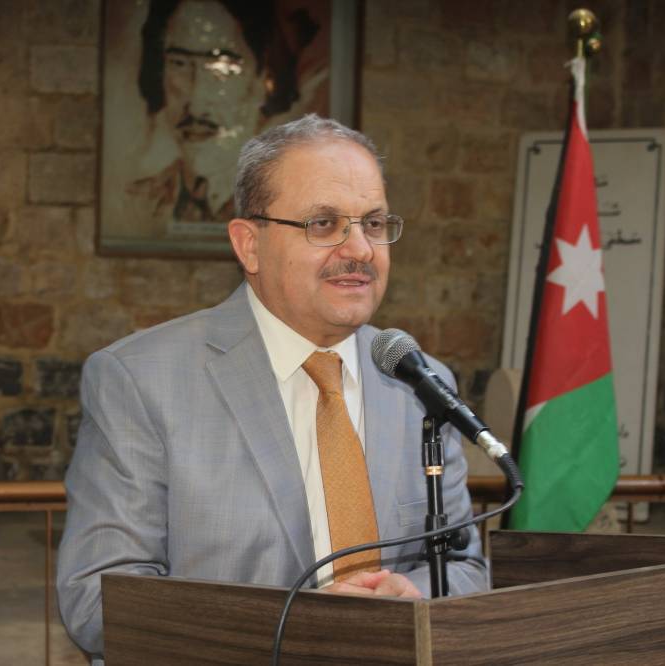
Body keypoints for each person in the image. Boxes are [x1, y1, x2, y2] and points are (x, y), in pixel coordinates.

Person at [57, 115, 489, 661]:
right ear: (249, 244)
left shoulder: (420, 382)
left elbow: (466, 568)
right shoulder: (141, 380)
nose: (360, 248)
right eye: (324, 224)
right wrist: (307, 627)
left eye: (374, 223)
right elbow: (97, 601)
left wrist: (413, 598)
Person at [129, 0, 320, 233]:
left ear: (263, 77)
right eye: (179, 64)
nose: (196, 103)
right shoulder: (138, 203)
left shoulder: (294, 208)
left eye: (222, 68)